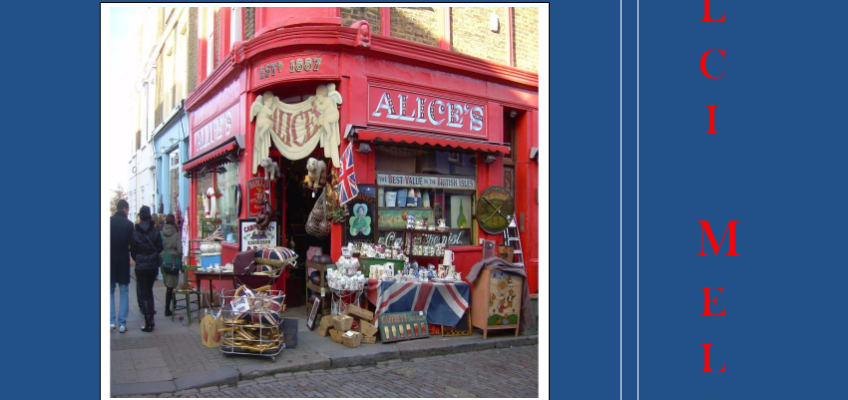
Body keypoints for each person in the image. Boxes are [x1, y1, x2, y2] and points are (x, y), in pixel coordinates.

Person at [131, 206, 163, 332]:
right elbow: (160, 247)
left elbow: (133, 250)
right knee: (149, 291)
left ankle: (148, 321)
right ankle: (151, 319)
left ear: (140, 216)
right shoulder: (155, 230)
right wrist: (153, 255)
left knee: (144, 293)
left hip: (141, 266)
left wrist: (139, 258)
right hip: (153, 265)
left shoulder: (136, 231)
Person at [110, 199, 134, 333]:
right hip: (123, 260)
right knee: (124, 292)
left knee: (109, 291)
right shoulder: (129, 225)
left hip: (109, 261)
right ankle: (122, 324)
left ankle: (111, 321)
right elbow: (133, 244)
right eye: (128, 210)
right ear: (125, 209)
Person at [161, 214, 183, 316]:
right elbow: (179, 249)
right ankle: (167, 309)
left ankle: (173, 303)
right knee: (171, 285)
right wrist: (180, 259)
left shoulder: (162, 232)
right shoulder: (176, 233)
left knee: (168, 283)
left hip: (164, 259)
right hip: (173, 260)